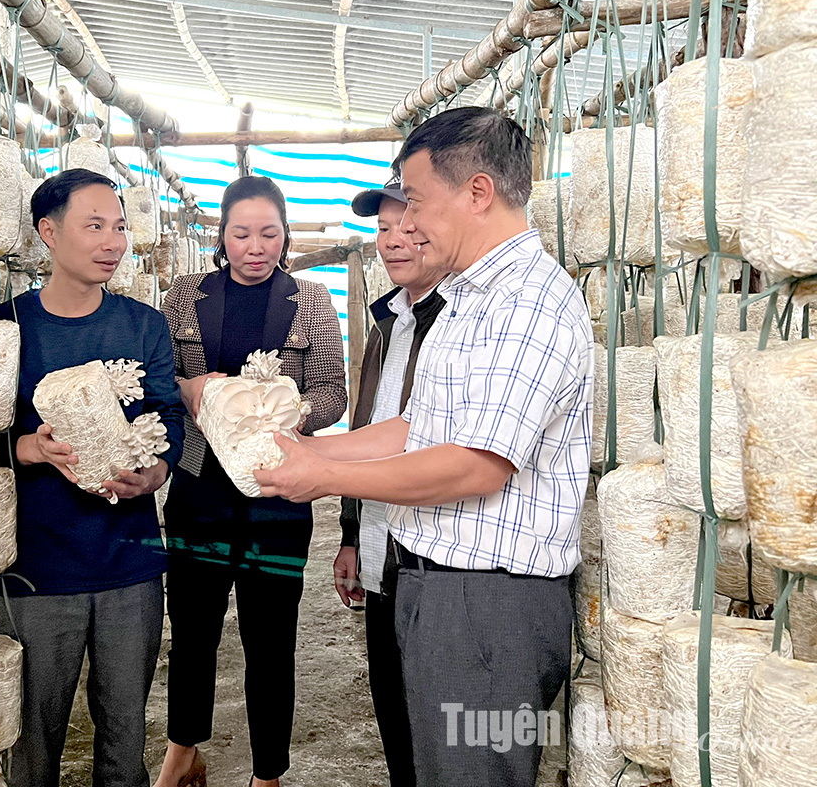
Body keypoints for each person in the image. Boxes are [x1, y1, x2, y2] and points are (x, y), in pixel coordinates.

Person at [254, 107, 594, 787]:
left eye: (415, 202)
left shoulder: (526, 302)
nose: (405, 224)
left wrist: (321, 474)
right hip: (443, 590)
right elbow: (419, 427)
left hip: (489, 608)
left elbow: (476, 462)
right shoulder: (469, 300)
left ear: (477, 193)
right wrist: (307, 451)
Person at [0, 168, 186, 787]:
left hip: (131, 564)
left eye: (119, 226)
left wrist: (154, 473)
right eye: (94, 226)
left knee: (125, 733)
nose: (113, 241)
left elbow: (169, 418)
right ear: (48, 232)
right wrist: (30, 449)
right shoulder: (2, 329)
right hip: (39, 569)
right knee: (34, 740)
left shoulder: (142, 325)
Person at [153, 176, 347, 787]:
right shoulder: (182, 297)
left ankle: (268, 774)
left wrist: (274, 409)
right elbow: (165, 382)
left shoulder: (310, 300)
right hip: (197, 488)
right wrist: (194, 393)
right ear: (222, 235)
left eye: (268, 233)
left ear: (285, 235)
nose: (255, 246)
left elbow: (333, 392)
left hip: (278, 495)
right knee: (192, 631)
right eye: (241, 233)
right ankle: (184, 749)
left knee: (270, 643)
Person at [334, 181, 447, 787]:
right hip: (383, 549)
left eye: (409, 227)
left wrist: (316, 468)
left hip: (433, 555)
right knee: (395, 715)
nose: (394, 242)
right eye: (383, 230)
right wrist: (352, 534)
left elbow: (425, 440)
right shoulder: (388, 321)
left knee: (442, 729)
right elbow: (369, 424)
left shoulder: (458, 319)